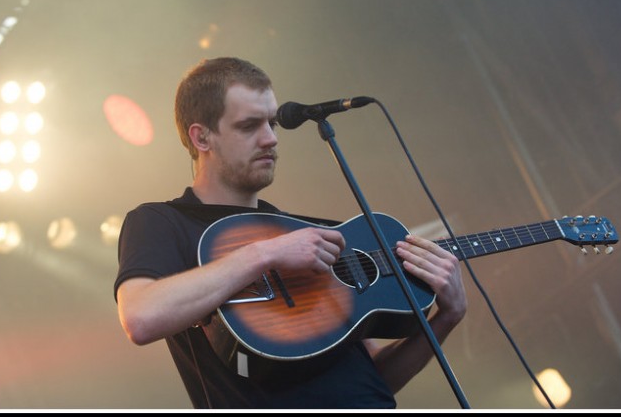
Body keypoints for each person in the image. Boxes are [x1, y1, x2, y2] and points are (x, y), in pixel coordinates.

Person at [114, 57, 467, 409]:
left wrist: (444, 320)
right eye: (249, 125)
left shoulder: (304, 234)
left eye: (271, 123)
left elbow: (375, 379)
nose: (270, 138)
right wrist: (263, 253)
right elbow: (141, 318)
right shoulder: (161, 221)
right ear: (202, 136)